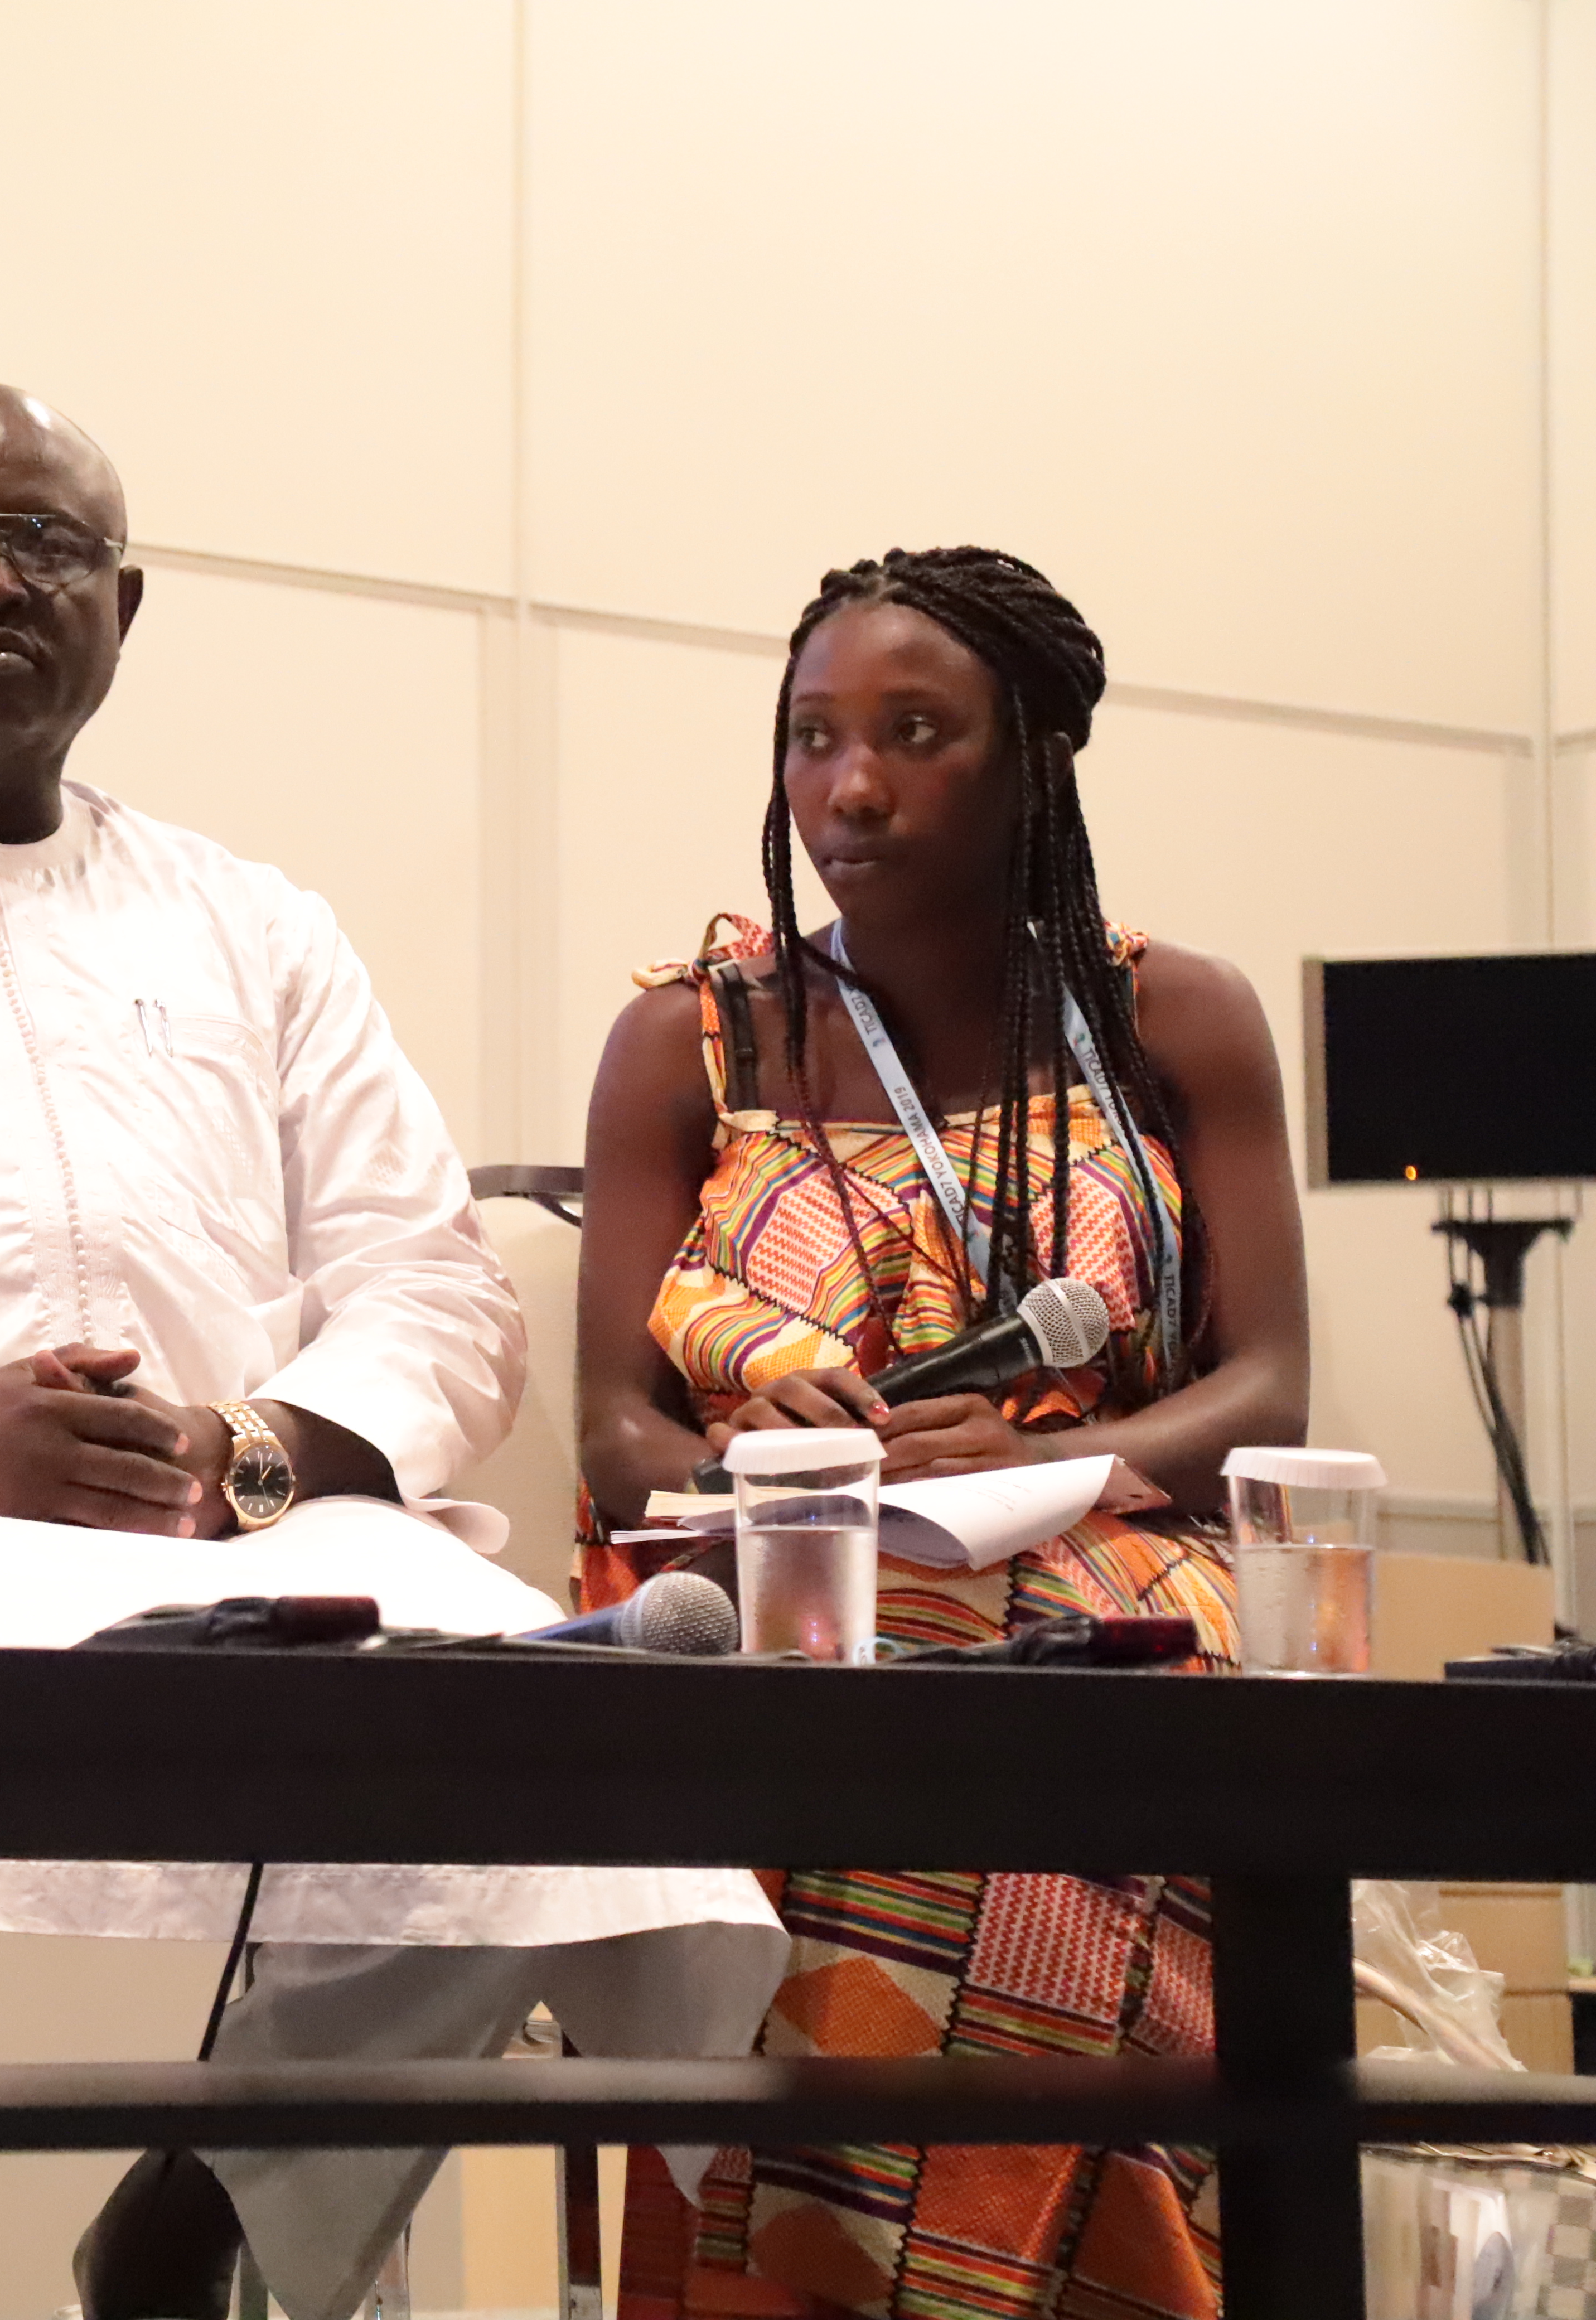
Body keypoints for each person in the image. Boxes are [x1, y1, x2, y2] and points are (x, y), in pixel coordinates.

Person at [0, 381, 787, 2320]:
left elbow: (431, 1281)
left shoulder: (253, 926)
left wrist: (248, 1451)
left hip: (231, 1545)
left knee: (562, 1752)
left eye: (54, 549)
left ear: (128, 607)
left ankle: (228, 2212)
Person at [573, 547, 1309, 2314]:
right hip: (779, 1567)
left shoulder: (1169, 1016)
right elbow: (614, 1428)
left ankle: (1067, 2267)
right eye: (813, 735)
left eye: (916, 732)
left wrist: (1074, 1464)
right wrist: (762, 1463)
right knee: (836, 1672)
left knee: (1083, 1681)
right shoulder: (692, 1043)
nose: (851, 782)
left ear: (1036, 757)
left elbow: (1271, 1387)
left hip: (1107, 1552)